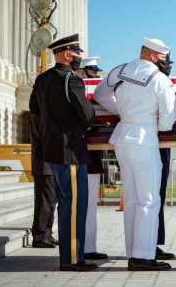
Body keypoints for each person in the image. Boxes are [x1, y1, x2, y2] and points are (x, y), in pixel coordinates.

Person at [93, 37, 176, 271]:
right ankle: (143, 257)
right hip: (144, 138)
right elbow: (168, 120)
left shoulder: (120, 70)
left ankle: (134, 252)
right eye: (163, 58)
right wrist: (154, 125)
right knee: (149, 200)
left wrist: (121, 110)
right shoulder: (160, 79)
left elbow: (100, 95)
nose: (166, 62)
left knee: (130, 199)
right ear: (153, 56)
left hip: (122, 136)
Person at [29, 34, 97, 272]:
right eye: (77, 54)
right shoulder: (72, 80)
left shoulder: (43, 79)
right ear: (68, 55)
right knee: (74, 205)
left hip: (53, 150)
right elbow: (87, 115)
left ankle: (71, 256)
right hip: (71, 152)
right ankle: (72, 259)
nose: (79, 58)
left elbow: (34, 110)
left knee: (66, 203)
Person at [76, 57, 108, 261]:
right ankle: (84, 247)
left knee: (90, 206)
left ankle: (89, 245)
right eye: (91, 71)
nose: (96, 75)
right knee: (84, 205)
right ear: (81, 71)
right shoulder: (76, 89)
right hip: (82, 156)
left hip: (92, 158)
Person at [156, 53, 175, 261]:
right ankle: (149, 244)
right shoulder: (161, 83)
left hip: (161, 143)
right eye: (166, 63)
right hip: (158, 141)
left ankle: (151, 242)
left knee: (155, 196)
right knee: (154, 196)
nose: (168, 66)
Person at [30, 113, 58, 249]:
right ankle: (39, 236)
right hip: (44, 164)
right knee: (44, 202)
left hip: (49, 163)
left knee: (51, 202)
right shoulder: (39, 117)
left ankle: (47, 233)